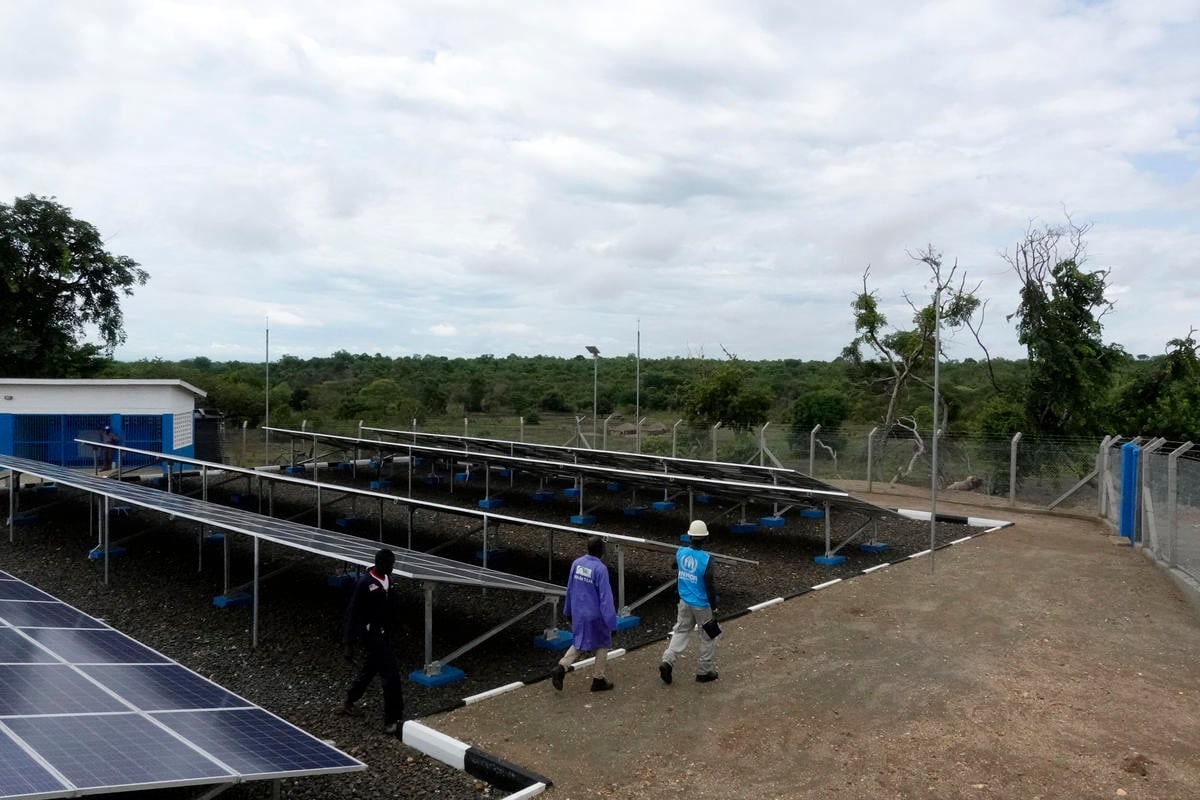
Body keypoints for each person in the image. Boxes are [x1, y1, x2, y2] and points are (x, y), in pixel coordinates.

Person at [338, 548, 404, 733]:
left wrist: (398, 626)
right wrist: (348, 642)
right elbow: (353, 612)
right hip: (372, 634)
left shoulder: (389, 581)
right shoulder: (364, 583)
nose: (392, 568)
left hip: (386, 632)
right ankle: (392, 719)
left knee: (370, 668)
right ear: (381, 564)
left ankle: (350, 700)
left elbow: (392, 607)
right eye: (390, 565)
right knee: (390, 675)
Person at [552, 536, 618, 692]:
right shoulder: (600, 569)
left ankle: (561, 667)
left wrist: (567, 610)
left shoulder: (577, 563)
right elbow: (605, 598)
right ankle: (598, 679)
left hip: (579, 613)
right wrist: (612, 623)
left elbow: (570, 589)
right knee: (603, 644)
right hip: (596, 616)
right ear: (602, 551)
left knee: (579, 642)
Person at [659, 519, 720, 685]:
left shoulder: (680, 552)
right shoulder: (707, 560)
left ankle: (668, 660)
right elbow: (710, 586)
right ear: (705, 538)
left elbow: (673, 566)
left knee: (680, 631)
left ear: (689, 536)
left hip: (684, 601)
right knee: (708, 636)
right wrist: (714, 608)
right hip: (702, 605)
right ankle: (704, 671)